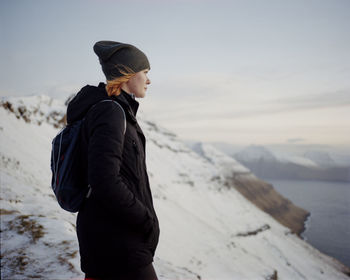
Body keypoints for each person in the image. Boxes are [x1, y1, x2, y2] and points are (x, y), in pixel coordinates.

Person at [66, 41, 160, 280]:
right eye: (145, 73)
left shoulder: (116, 111)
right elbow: (104, 180)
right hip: (117, 239)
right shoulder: (110, 112)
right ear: (127, 74)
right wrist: (145, 219)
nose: (149, 80)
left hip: (111, 236)